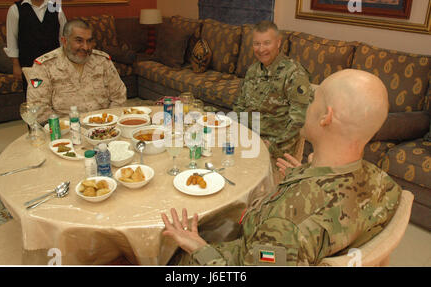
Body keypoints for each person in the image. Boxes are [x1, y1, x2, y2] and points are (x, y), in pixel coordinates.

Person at [161, 69, 401, 266]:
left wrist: (198, 247)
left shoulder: (286, 224)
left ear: (326, 118)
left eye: (312, 97)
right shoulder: (384, 183)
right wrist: (303, 179)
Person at [233, 21, 313, 161]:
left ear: (278, 43)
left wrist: (272, 147)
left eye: (266, 43)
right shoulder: (253, 70)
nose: (261, 49)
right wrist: (236, 132)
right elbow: (240, 105)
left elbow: (299, 119)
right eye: (256, 44)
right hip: (248, 139)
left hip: (274, 147)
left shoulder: (294, 73)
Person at [25, 19, 127, 123]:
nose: (86, 47)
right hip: (64, 129)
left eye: (89, 41)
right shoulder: (45, 66)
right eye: (79, 41)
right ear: (64, 41)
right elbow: (38, 108)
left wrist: (110, 121)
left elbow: (119, 96)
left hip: (104, 125)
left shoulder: (102, 61)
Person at [4, 0, 67, 92]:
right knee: (34, 97)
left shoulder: (54, 7)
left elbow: (64, 38)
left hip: (53, 63)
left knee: (55, 96)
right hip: (29, 64)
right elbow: (11, 39)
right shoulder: (16, 9)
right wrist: (16, 65)